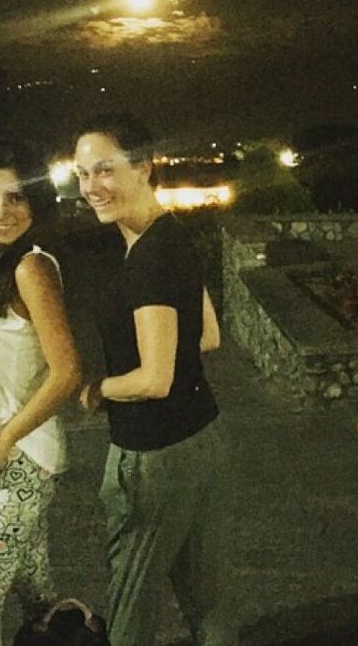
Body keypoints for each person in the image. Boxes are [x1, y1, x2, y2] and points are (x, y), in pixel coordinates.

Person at [74, 113, 237, 646]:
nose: (91, 187)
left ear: (143, 167)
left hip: (154, 457)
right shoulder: (173, 237)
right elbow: (209, 335)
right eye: (82, 174)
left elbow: (154, 380)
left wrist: (98, 390)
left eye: (105, 170)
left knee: (130, 614)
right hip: (202, 441)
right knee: (209, 605)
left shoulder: (147, 260)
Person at [0, 140, 82, 646]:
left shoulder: (31, 267)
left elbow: (67, 372)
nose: (0, 210)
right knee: (38, 596)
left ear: (37, 203)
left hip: (21, 458)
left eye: (16, 197)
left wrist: (2, 441)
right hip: (18, 455)